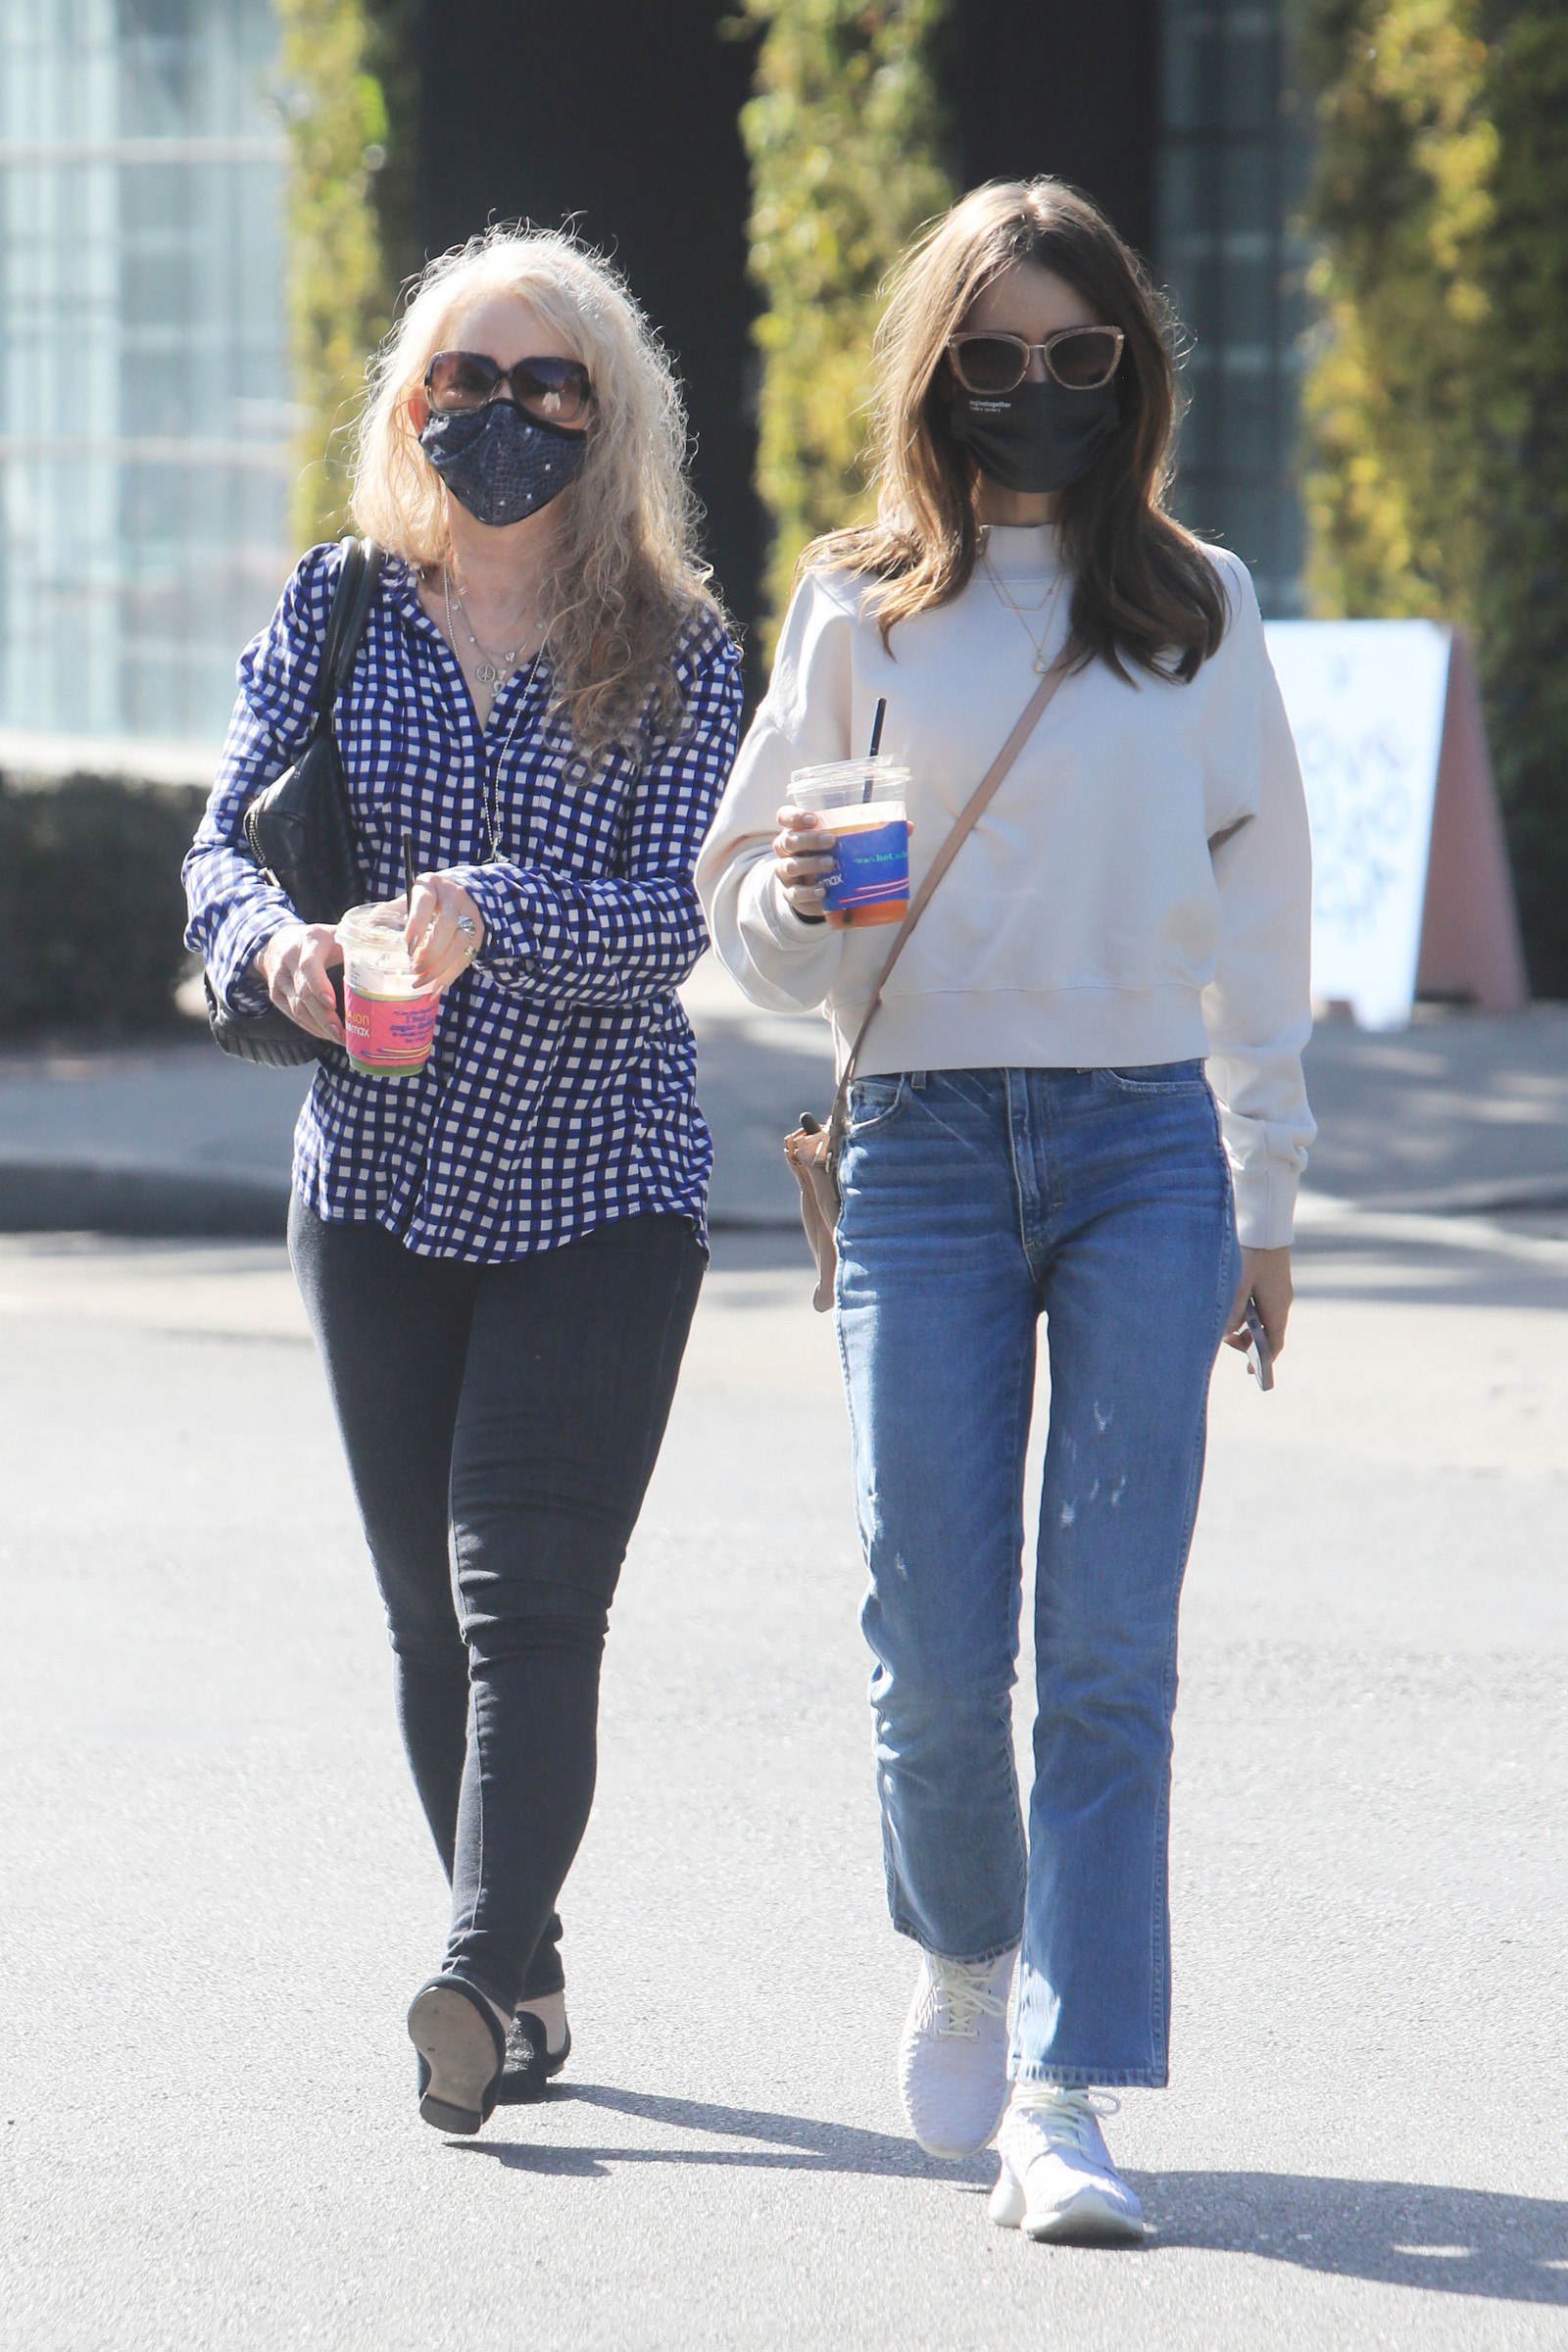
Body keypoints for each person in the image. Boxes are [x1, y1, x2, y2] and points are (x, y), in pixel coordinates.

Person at [697, 178, 1313, 2244]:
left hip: (1144, 1147)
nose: (1036, 387)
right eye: (993, 355)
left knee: (1110, 1652)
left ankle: (1064, 2089)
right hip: (922, 1148)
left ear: (1129, 371)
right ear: (933, 374)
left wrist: (1265, 1186)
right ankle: (963, 1951)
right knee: (934, 1642)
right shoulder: (855, 605)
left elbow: (1263, 908)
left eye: (1077, 353)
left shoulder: (1197, 602)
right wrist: (792, 898)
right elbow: (750, 923)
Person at [185, 227, 741, 2134]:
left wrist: (494, 910)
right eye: (464, 381)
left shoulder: (677, 646)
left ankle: (471, 1978)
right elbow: (220, 841)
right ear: (411, 405)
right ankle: (531, 1972)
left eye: (546, 384)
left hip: (598, 1178)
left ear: (608, 413)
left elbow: (673, 921)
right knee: (428, 1615)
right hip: (374, 1177)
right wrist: (276, 948)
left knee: (528, 1601)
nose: (501, 415)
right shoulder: (338, 603)